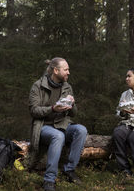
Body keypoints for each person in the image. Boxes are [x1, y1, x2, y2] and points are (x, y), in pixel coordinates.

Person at [28, 57, 88, 191]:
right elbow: (33, 111)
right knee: (58, 136)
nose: (68, 72)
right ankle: (49, 180)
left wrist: (71, 105)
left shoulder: (67, 87)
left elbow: (73, 114)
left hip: (63, 124)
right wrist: (53, 109)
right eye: (66, 69)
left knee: (81, 130)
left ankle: (69, 170)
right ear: (56, 70)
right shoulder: (38, 86)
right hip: (44, 127)